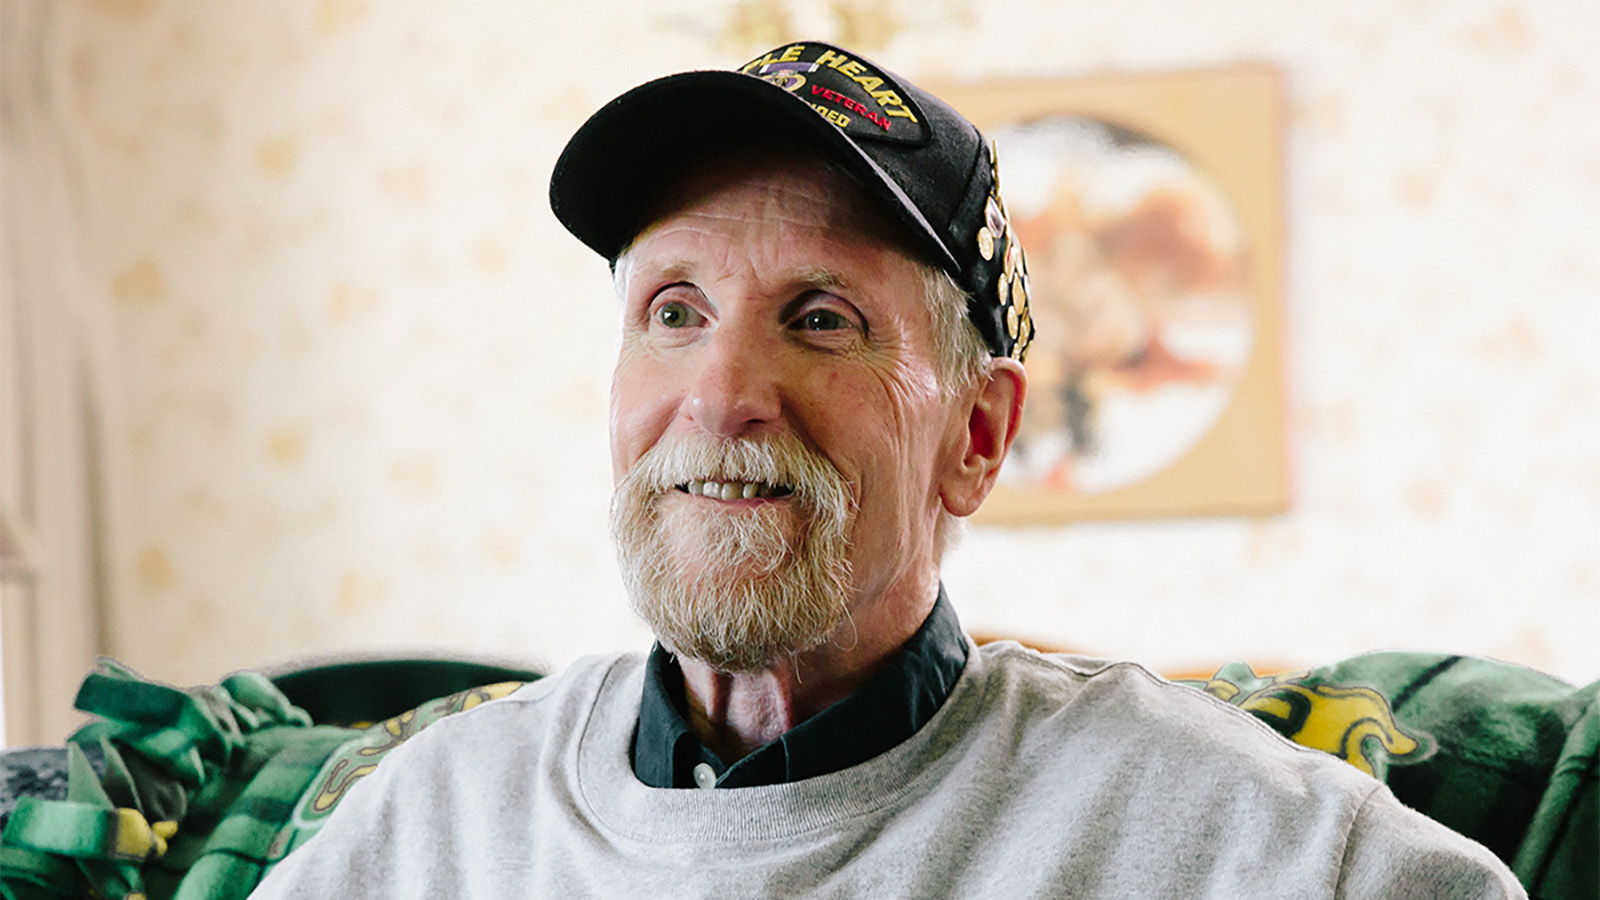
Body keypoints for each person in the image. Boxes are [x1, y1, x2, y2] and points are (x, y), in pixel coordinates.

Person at [249, 41, 1524, 898]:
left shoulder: (1237, 838)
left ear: (976, 438)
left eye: (820, 320)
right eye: (675, 311)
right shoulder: (427, 829)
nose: (721, 395)